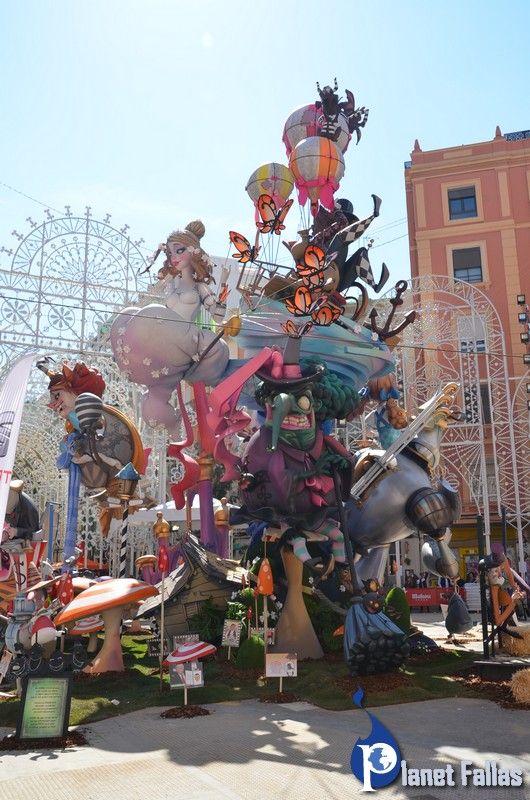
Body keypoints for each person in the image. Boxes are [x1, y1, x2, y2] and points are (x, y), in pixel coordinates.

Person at [110, 220, 229, 437]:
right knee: (152, 410)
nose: (174, 257)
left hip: (185, 338)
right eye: (171, 252)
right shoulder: (172, 284)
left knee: (152, 313)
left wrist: (222, 293)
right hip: (167, 345)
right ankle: (174, 429)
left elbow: (217, 315)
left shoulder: (199, 287)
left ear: (193, 253)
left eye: (179, 250)